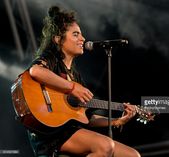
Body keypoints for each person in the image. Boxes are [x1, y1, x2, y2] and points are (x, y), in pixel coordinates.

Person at [26, 5, 140, 157]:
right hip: (51, 135)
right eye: (75, 34)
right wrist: (72, 88)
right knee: (105, 145)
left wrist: (117, 122)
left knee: (132, 155)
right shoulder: (51, 59)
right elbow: (36, 71)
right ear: (58, 39)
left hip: (72, 131)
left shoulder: (76, 76)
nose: (83, 39)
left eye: (81, 34)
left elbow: (88, 117)